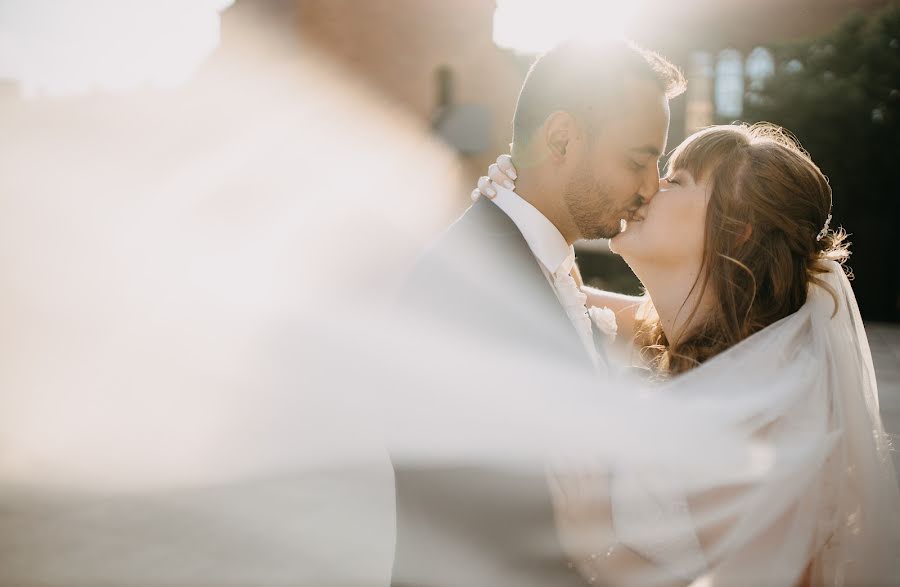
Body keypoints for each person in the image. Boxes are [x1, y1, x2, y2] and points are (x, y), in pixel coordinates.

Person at [474, 123, 900, 585]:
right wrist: (522, 204)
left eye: (675, 181)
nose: (647, 186)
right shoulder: (675, 335)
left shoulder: (762, 416)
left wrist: (597, 547)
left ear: (736, 233)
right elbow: (560, 289)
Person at [391, 38, 686, 586]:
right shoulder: (467, 290)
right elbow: (480, 532)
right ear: (562, 139)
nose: (650, 188)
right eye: (637, 160)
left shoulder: (550, 271)